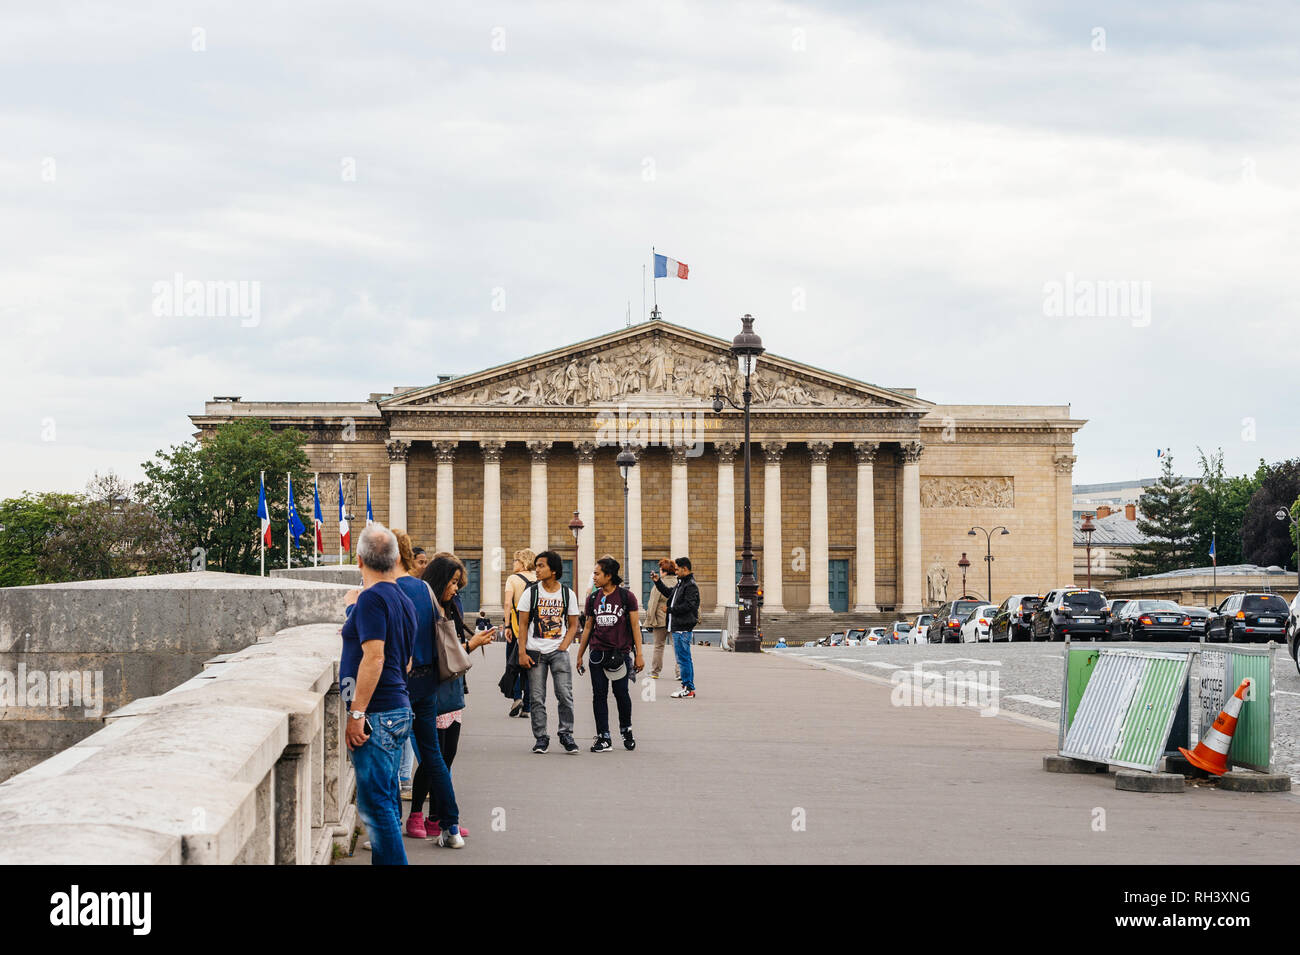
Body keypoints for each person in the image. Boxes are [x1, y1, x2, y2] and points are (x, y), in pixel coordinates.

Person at [384, 536, 467, 849]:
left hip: (394, 686)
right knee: (434, 757)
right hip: (427, 684)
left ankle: (390, 830)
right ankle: (451, 827)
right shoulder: (424, 590)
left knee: (388, 760)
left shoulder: (382, 592)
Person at [341, 523, 416, 865]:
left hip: (377, 715)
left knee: (377, 810)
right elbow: (408, 661)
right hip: (397, 708)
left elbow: (375, 656)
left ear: (359, 560)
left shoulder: (372, 599)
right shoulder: (402, 598)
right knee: (385, 801)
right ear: (397, 558)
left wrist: (357, 714)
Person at [409, 551, 495, 842]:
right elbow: (444, 654)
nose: (457, 588)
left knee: (447, 757)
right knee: (432, 758)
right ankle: (417, 815)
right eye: (453, 582)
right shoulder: (426, 608)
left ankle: (437, 819)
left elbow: (454, 654)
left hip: (453, 690)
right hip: (431, 689)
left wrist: (470, 643)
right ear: (439, 580)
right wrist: (471, 644)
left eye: (459, 583)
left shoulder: (454, 609)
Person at [515, 550, 580, 754]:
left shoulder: (567, 594)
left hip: (558, 652)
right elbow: (523, 624)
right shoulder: (531, 593)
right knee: (536, 697)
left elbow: (573, 624)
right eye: (536, 565)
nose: (537, 569)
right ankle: (541, 737)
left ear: (554, 570)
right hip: (535, 653)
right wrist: (522, 652)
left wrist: (564, 646)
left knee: (565, 695)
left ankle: (566, 733)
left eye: (541, 565)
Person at [576, 557, 643, 752]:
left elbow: (634, 627)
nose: (594, 577)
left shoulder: (626, 597)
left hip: (620, 654)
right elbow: (588, 627)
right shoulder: (593, 598)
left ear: (609, 575)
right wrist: (580, 655)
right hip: (597, 653)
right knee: (599, 695)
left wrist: (639, 654)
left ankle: (626, 730)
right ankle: (604, 737)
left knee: (621, 694)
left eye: (597, 574)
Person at [652, 555, 700, 699]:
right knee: (684, 658)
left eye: (678, 569)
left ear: (685, 569)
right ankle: (687, 687)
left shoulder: (690, 585)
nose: (676, 571)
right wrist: (657, 582)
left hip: (682, 627)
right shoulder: (681, 583)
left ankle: (688, 688)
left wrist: (670, 610)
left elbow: (689, 606)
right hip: (677, 626)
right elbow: (669, 593)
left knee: (683, 659)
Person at [503, 549, 537, 718]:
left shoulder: (513, 579)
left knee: (513, 664)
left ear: (522, 562)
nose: (513, 563)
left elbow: (507, 603)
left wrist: (507, 625)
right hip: (534, 632)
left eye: (515, 560)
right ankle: (528, 707)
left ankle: (517, 697)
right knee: (530, 667)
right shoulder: (538, 579)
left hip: (516, 630)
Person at [644, 557, 680, 680]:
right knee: (677, 647)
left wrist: (649, 621)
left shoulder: (659, 584)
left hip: (660, 620)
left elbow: (652, 603)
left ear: (663, 571)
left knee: (659, 646)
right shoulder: (679, 583)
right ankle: (679, 672)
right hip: (675, 619)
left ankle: (655, 671)